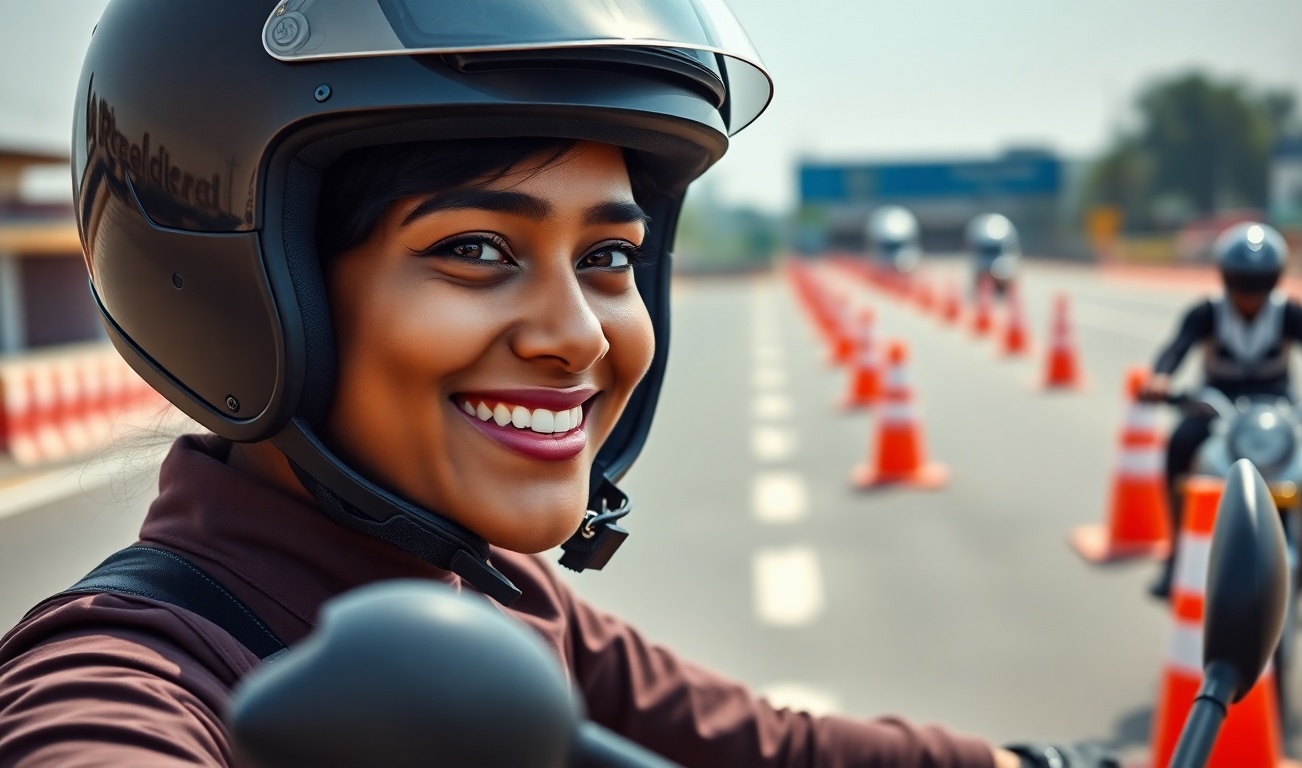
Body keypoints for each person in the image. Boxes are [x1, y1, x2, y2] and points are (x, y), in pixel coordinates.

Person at [0, 3, 1115, 766]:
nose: (578, 337)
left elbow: (773, 747)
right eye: (477, 250)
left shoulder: (493, 601)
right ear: (253, 288)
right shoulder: (131, 669)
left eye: (609, 259)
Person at [1141, 222, 1302, 606]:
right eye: (1241, 281)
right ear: (1225, 278)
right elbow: (1175, 348)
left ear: (1275, 279)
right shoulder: (1206, 312)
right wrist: (1161, 378)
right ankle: (1177, 552)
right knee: (1179, 446)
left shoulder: (1291, 313)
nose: (1250, 294)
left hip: (1279, 411)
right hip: (1216, 406)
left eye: (1260, 282)